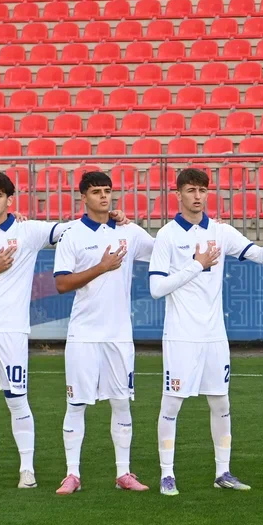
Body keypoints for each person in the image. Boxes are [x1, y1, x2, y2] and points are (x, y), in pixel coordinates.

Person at [0, 171, 91, 490]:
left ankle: (27, 469)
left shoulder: (28, 231)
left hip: (10, 332)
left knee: (16, 399)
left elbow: (69, 229)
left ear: (10, 200)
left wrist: (112, 216)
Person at [148, 168, 263, 496]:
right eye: (191, 190)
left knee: (221, 403)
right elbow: (157, 288)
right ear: (179, 194)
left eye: (203, 190)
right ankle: (167, 474)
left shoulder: (221, 232)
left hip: (215, 336)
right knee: (171, 405)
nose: (198, 196)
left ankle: (223, 471)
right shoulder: (167, 236)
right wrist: (196, 265)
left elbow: (260, 255)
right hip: (181, 335)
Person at [52, 171, 155, 495]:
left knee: (121, 402)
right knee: (76, 404)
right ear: (83, 196)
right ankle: (72, 474)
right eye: (96, 191)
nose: (104, 197)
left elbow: (160, 251)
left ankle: (123, 472)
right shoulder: (73, 235)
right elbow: (61, 283)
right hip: (83, 333)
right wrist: (101, 266)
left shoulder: (128, 231)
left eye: (108, 191)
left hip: (118, 336)